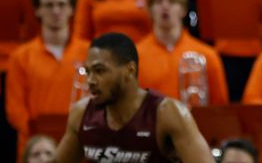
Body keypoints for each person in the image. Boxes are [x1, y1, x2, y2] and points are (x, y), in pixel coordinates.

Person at [54, 33, 213, 163]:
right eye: (88, 71)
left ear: (130, 70)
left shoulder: (167, 114)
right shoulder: (81, 114)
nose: (91, 81)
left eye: (100, 71)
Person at [6, 0, 89, 158]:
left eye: (61, 4)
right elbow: (14, 108)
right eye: (49, 5)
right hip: (36, 150)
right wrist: (40, 137)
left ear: (71, 8)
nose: (56, 11)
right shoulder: (20, 57)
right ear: (37, 9)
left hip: (79, 146)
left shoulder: (91, 53)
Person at [136, 0, 228, 106]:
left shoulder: (208, 56)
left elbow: (220, 109)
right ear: (150, 10)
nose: (165, 6)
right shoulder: (136, 56)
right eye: (158, 1)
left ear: (183, 9)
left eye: (172, 1)